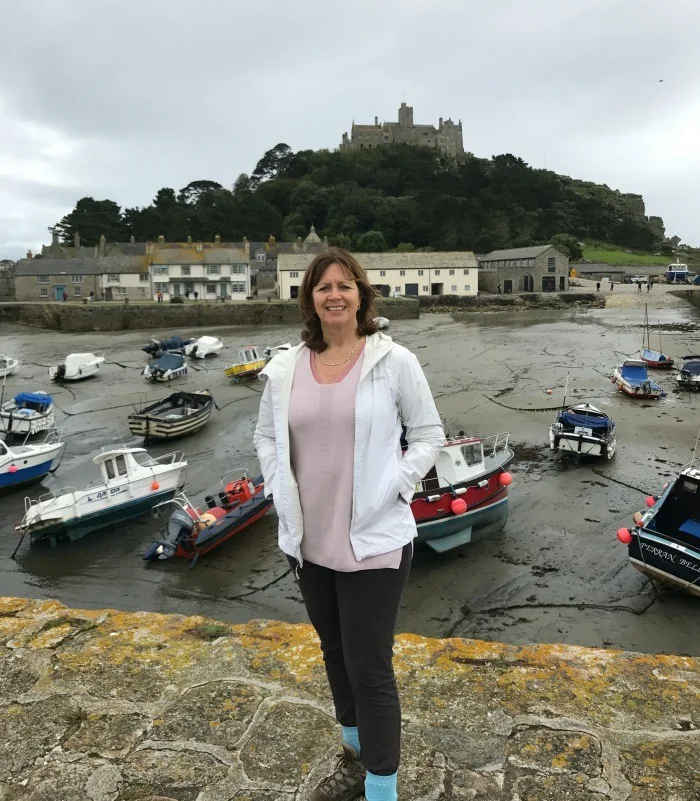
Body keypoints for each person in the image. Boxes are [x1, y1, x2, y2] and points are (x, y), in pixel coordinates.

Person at [254, 247, 444, 801]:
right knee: (334, 652)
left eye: (344, 285)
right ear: (310, 299)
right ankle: (356, 755)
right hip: (307, 538)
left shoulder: (394, 361)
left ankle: (382, 787)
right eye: (323, 287)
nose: (334, 295)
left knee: (369, 666)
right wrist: (277, 485)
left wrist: (396, 486)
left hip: (375, 537)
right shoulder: (286, 367)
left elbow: (428, 434)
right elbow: (266, 436)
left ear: (361, 294)